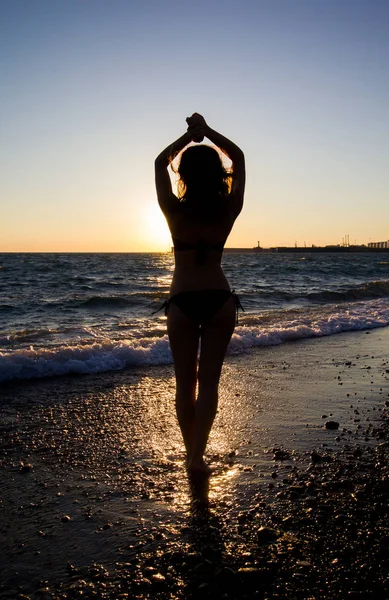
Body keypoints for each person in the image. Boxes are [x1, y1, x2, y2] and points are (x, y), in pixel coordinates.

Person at [154, 113, 245, 474]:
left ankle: (192, 453)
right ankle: (197, 458)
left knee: (184, 386)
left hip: (182, 302)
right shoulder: (228, 209)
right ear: (218, 175)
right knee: (209, 385)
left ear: (184, 175)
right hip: (220, 300)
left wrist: (187, 137)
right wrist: (207, 133)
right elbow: (238, 157)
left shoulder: (173, 211)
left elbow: (160, 162)